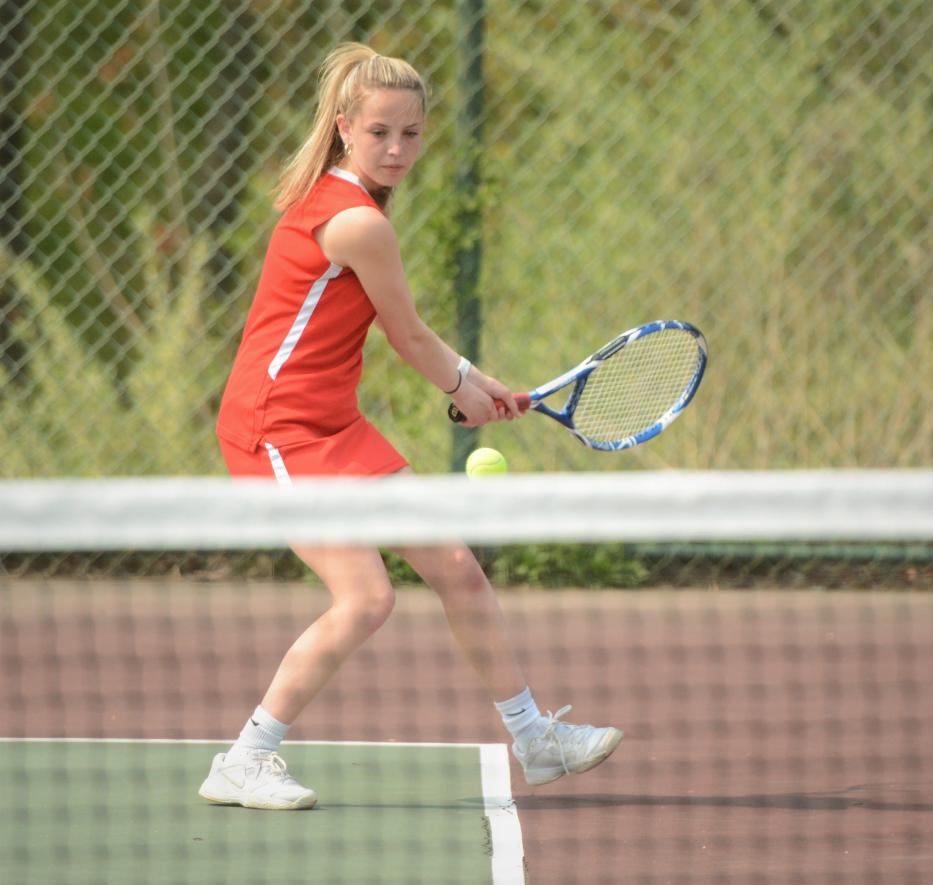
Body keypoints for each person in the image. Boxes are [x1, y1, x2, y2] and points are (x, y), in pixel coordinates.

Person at [199, 42, 622, 810]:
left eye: (412, 134)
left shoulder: (356, 205)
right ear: (343, 129)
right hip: (276, 430)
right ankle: (244, 757)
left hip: (332, 421)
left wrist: (480, 389)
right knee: (366, 598)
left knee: (455, 565)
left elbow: (418, 340)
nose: (397, 148)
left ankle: (535, 738)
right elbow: (412, 339)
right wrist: (468, 387)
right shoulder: (355, 219)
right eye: (380, 133)